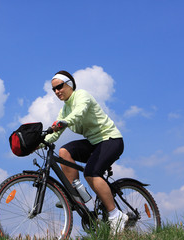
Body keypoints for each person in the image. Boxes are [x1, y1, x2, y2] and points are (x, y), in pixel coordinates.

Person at [44, 70, 128, 233]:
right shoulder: (64, 109)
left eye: (59, 87)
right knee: (64, 151)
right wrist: (38, 144)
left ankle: (116, 215)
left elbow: (79, 113)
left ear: (70, 84)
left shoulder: (82, 96)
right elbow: (54, 135)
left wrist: (63, 122)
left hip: (110, 139)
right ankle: (75, 194)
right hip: (93, 143)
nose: (57, 92)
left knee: (91, 173)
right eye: (54, 89)